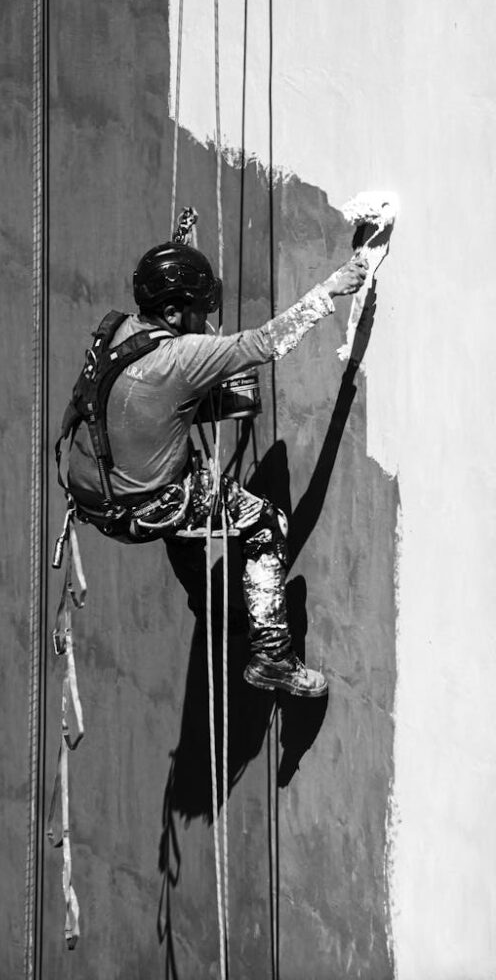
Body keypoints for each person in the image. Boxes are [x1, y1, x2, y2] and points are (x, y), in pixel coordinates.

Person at [61, 240, 367, 697]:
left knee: (185, 503)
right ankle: (272, 657)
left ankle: (214, 609)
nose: (204, 320)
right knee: (265, 523)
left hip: (97, 498)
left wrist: (206, 407)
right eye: (197, 309)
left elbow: (135, 407)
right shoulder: (184, 356)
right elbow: (265, 343)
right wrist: (333, 288)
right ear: (170, 312)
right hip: (142, 505)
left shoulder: (118, 331)